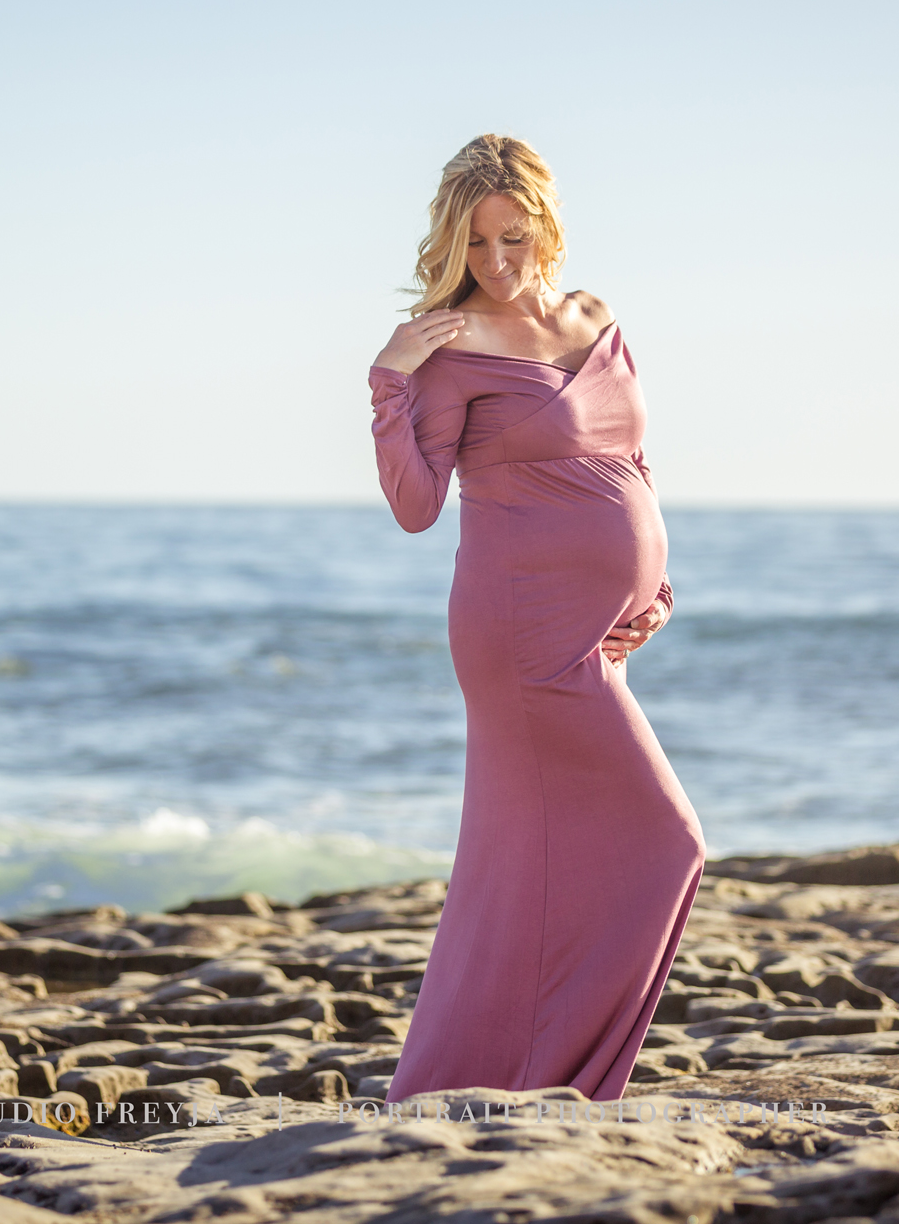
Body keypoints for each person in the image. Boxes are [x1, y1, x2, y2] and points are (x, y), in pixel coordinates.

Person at [368, 133, 707, 1102]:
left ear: (547, 227)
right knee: (662, 840)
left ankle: (509, 1079)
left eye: (514, 237)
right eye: (475, 245)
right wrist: (388, 380)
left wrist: (656, 584)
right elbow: (414, 505)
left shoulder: (597, 316)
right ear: (450, 246)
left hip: (600, 631)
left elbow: (631, 461)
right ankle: (560, 1072)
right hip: (520, 633)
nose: (498, 261)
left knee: (535, 866)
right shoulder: (445, 345)